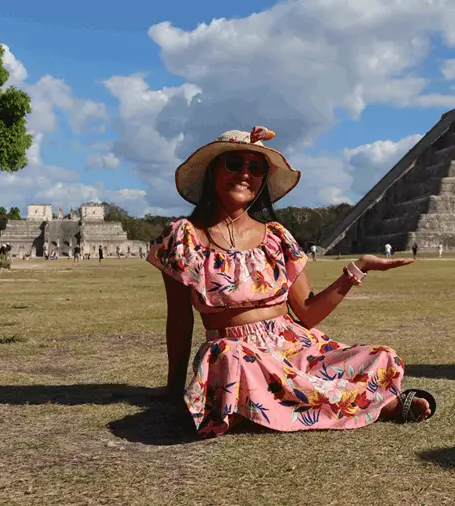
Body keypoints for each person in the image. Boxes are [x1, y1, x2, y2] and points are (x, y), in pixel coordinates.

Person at [146, 126, 436, 438]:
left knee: (382, 356)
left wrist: (358, 268)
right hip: (237, 351)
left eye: (255, 168)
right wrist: (174, 386)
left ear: (261, 182)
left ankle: (274, 406)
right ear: (212, 171)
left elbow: (308, 313)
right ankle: (373, 404)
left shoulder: (276, 236)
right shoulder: (183, 237)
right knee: (229, 358)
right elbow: (179, 318)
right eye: (234, 164)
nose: (245, 174)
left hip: (292, 345)